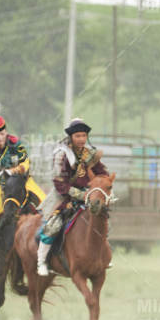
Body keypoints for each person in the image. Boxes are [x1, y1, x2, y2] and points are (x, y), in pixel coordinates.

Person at [36, 119, 108, 278]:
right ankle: (41, 261)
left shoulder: (90, 154)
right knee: (53, 226)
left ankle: (102, 257)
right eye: (77, 136)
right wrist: (81, 195)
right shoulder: (61, 155)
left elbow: (102, 172)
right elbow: (59, 183)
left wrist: (100, 186)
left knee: (102, 218)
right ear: (71, 137)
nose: (81, 139)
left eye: (83, 135)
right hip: (64, 196)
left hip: (89, 196)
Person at [0, 103, 44, 251]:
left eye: (1, 134)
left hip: (23, 180)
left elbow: (25, 163)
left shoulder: (16, 144)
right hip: (1, 184)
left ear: (5, 131)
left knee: (43, 201)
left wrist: (13, 171)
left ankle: (46, 235)